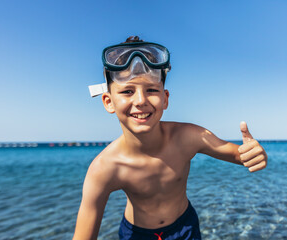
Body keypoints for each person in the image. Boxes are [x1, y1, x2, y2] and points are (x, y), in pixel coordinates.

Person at [73, 36, 268, 240]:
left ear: (165, 98)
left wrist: (255, 154)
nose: (140, 101)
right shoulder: (105, 168)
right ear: (108, 101)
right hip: (137, 235)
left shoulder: (188, 137)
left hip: (186, 228)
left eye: (151, 90)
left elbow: (239, 155)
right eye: (128, 91)